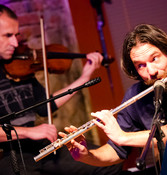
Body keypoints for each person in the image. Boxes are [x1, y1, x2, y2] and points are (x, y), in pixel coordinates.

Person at [0, 4, 123, 175]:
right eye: (7, 35)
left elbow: (45, 106)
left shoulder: (19, 66)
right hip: (7, 155)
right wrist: (29, 132)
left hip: (37, 146)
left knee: (107, 165)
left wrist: (83, 78)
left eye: (16, 35)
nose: (15, 42)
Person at [59, 23, 167, 174]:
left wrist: (123, 137)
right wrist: (87, 156)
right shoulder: (136, 95)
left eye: (154, 59)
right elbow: (116, 150)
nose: (151, 72)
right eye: (141, 66)